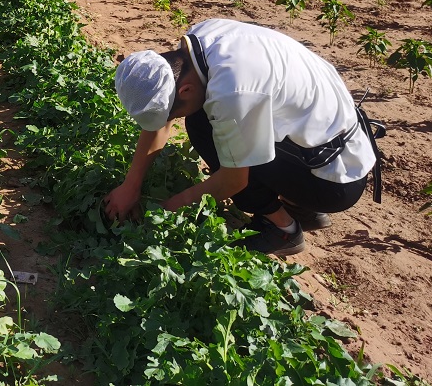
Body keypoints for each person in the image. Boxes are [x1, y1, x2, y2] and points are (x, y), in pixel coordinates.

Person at [105, 18, 380, 257]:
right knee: (206, 120)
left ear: (185, 89)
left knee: (207, 130)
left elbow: (233, 180)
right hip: (323, 142)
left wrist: (169, 208)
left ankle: (283, 229)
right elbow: (159, 121)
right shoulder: (201, 39)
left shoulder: (233, 91)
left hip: (334, 180)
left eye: (170, 114)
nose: (168, 121)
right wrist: (131, 185)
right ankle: (301, 207)